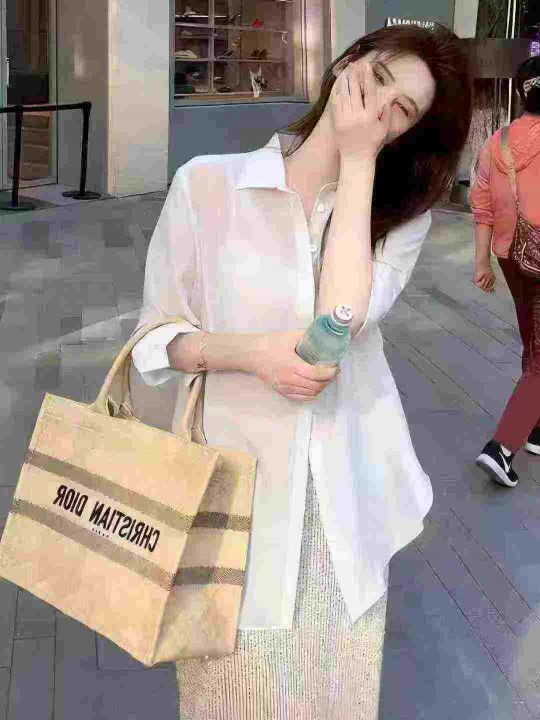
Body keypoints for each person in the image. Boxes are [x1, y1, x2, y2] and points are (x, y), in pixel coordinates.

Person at [129, 23, 472, 720]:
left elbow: (339, 320)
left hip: (346, 514)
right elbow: (155, 339)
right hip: (232, 506)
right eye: (378, 79)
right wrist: (251, 354)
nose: (376, 109)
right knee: (230, 701)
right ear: (345, 63)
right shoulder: (206, 184)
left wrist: (359, 162)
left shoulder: (397, 218)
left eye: (401, 111)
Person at [471, 56, 540, 488]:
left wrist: (481, 261)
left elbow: (481, 206)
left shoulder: (495, 143)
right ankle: (503, 446)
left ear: (520, 94)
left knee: (533, 338)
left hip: (511, 257)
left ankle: (534, 429)